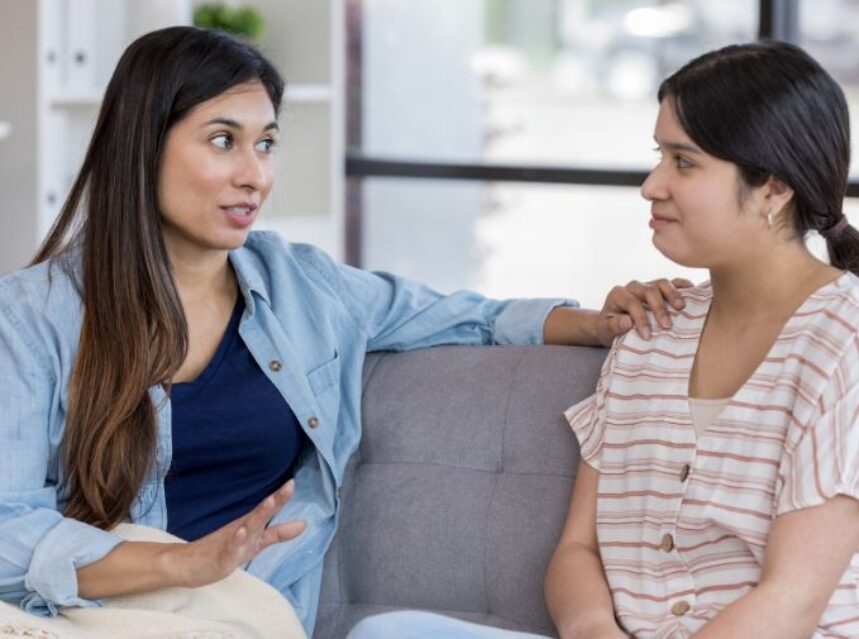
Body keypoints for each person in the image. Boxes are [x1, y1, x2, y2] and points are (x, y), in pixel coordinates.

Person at [0, 26, 685, 636]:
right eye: (222, 140)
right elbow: (7, 530)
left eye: (265, 143)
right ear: (141, 146)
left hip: (237, 611)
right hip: (74, 611)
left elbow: (462, 313)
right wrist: (178, 562)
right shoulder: (30, 318)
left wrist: (598, 320)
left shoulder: (303, 288)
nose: (255, 175)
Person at [348, 41, 859, 639]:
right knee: (387, 633)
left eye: (683, 162)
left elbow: (790, 604)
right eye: (658, 156)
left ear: (773, 189)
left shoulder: (842, 342)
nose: (651, 185)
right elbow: (578, 551)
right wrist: (593, 627)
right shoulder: (651, 332)